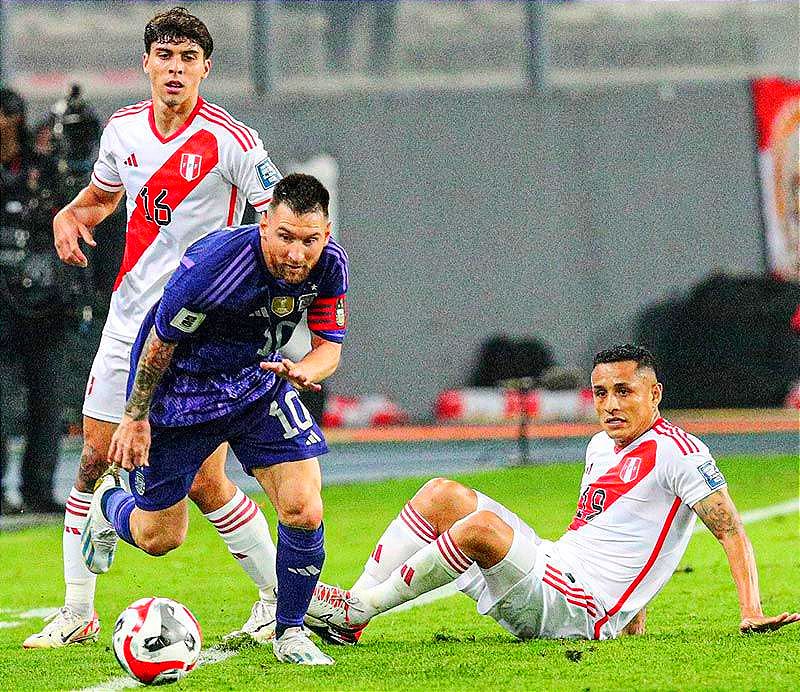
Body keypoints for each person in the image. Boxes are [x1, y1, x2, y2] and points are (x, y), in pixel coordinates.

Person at [24, 7, 283, 648]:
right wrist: (69, 214)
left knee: (203, 483)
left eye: (187, 58)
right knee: (90, 457)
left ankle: (280, 601)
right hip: (128, 320)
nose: (175, 69)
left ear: (205, 67)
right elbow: (104, 197)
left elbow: (276, 221)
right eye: (164, 56)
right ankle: (76, 612)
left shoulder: (234, 142)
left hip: (201, 335)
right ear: (146, 63)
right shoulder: (121, 131)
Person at [304, 344, 800, 644]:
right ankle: (352, 611)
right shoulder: (599, 447)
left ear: (655, 394)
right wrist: (635, 622)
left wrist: (750, 610)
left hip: (581, 609)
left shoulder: (681, 452)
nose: (609, 404)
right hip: (557, 568)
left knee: (478, 529)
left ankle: (360, 608)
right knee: (441, 494)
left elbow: (730, 528)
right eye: (601, 392)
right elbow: (615, 533)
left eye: (624, 391)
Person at [82, 173, 347, 665]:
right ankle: (108, 505)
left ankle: (289, 632)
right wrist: (135, 416)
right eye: (285, 237)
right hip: (181, 398)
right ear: (264, 223)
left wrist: (305, 371)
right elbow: (159, 343)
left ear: (326, 234)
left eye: (309, 240)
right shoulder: (215, 266)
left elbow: (328, 345)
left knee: (304, 508)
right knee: (160, 537)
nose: (296, 253)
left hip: (255, 383)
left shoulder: (328, 265)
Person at [0, 88, 78, 515]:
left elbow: (74, 202)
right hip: (3, 302)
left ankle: (38, 489)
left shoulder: (44, 168)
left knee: (48, 399)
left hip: (44, 301)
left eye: (9, 115)